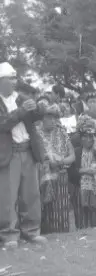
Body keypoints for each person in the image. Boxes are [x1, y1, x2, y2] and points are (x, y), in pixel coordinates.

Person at [0, 62, 47, 248]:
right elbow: (3, 124)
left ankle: (31, 232)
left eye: (14, 77)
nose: (14, 81)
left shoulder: (21, 97)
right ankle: (9, 234)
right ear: (1, 81)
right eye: (10, 78)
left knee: (31, 194)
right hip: (8, 153)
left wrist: (38, 109)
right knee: (7, 197)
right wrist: (22, 111)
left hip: (28, 150)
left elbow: (35, 117)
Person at [69, 115, 96, 229]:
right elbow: (72, 173)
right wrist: (85, 170)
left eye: (91, 137)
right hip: (81, 190)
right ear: (80, 137)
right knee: (82, 221)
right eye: (85, 136)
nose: (88, 139)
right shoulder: (77, 151)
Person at [38, 101, 76, 233]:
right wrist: (48, 162)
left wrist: (61, 161)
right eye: (49, 117)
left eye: (55, 118)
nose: (52, 121)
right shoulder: (36, 134)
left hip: (61, 176)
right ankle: (46, 232)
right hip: (43, 177)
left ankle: (63, 233)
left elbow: (72, 156)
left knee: (61, 208)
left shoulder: (62, 133)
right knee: (46, 208)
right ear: (42, 118)